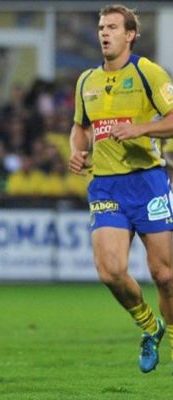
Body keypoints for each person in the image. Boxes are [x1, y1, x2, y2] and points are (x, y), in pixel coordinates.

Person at [69, 4, 173, 374]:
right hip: (106, 185)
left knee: (165, 274)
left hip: (148, 182)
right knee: (110, 270)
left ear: (130, 35)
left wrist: (140, 129)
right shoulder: (86, 81)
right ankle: (149, 326)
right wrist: (77, 152)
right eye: (101, 27)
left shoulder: (148, 72)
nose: (104, 32)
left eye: (112, 27)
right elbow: (81, 127)